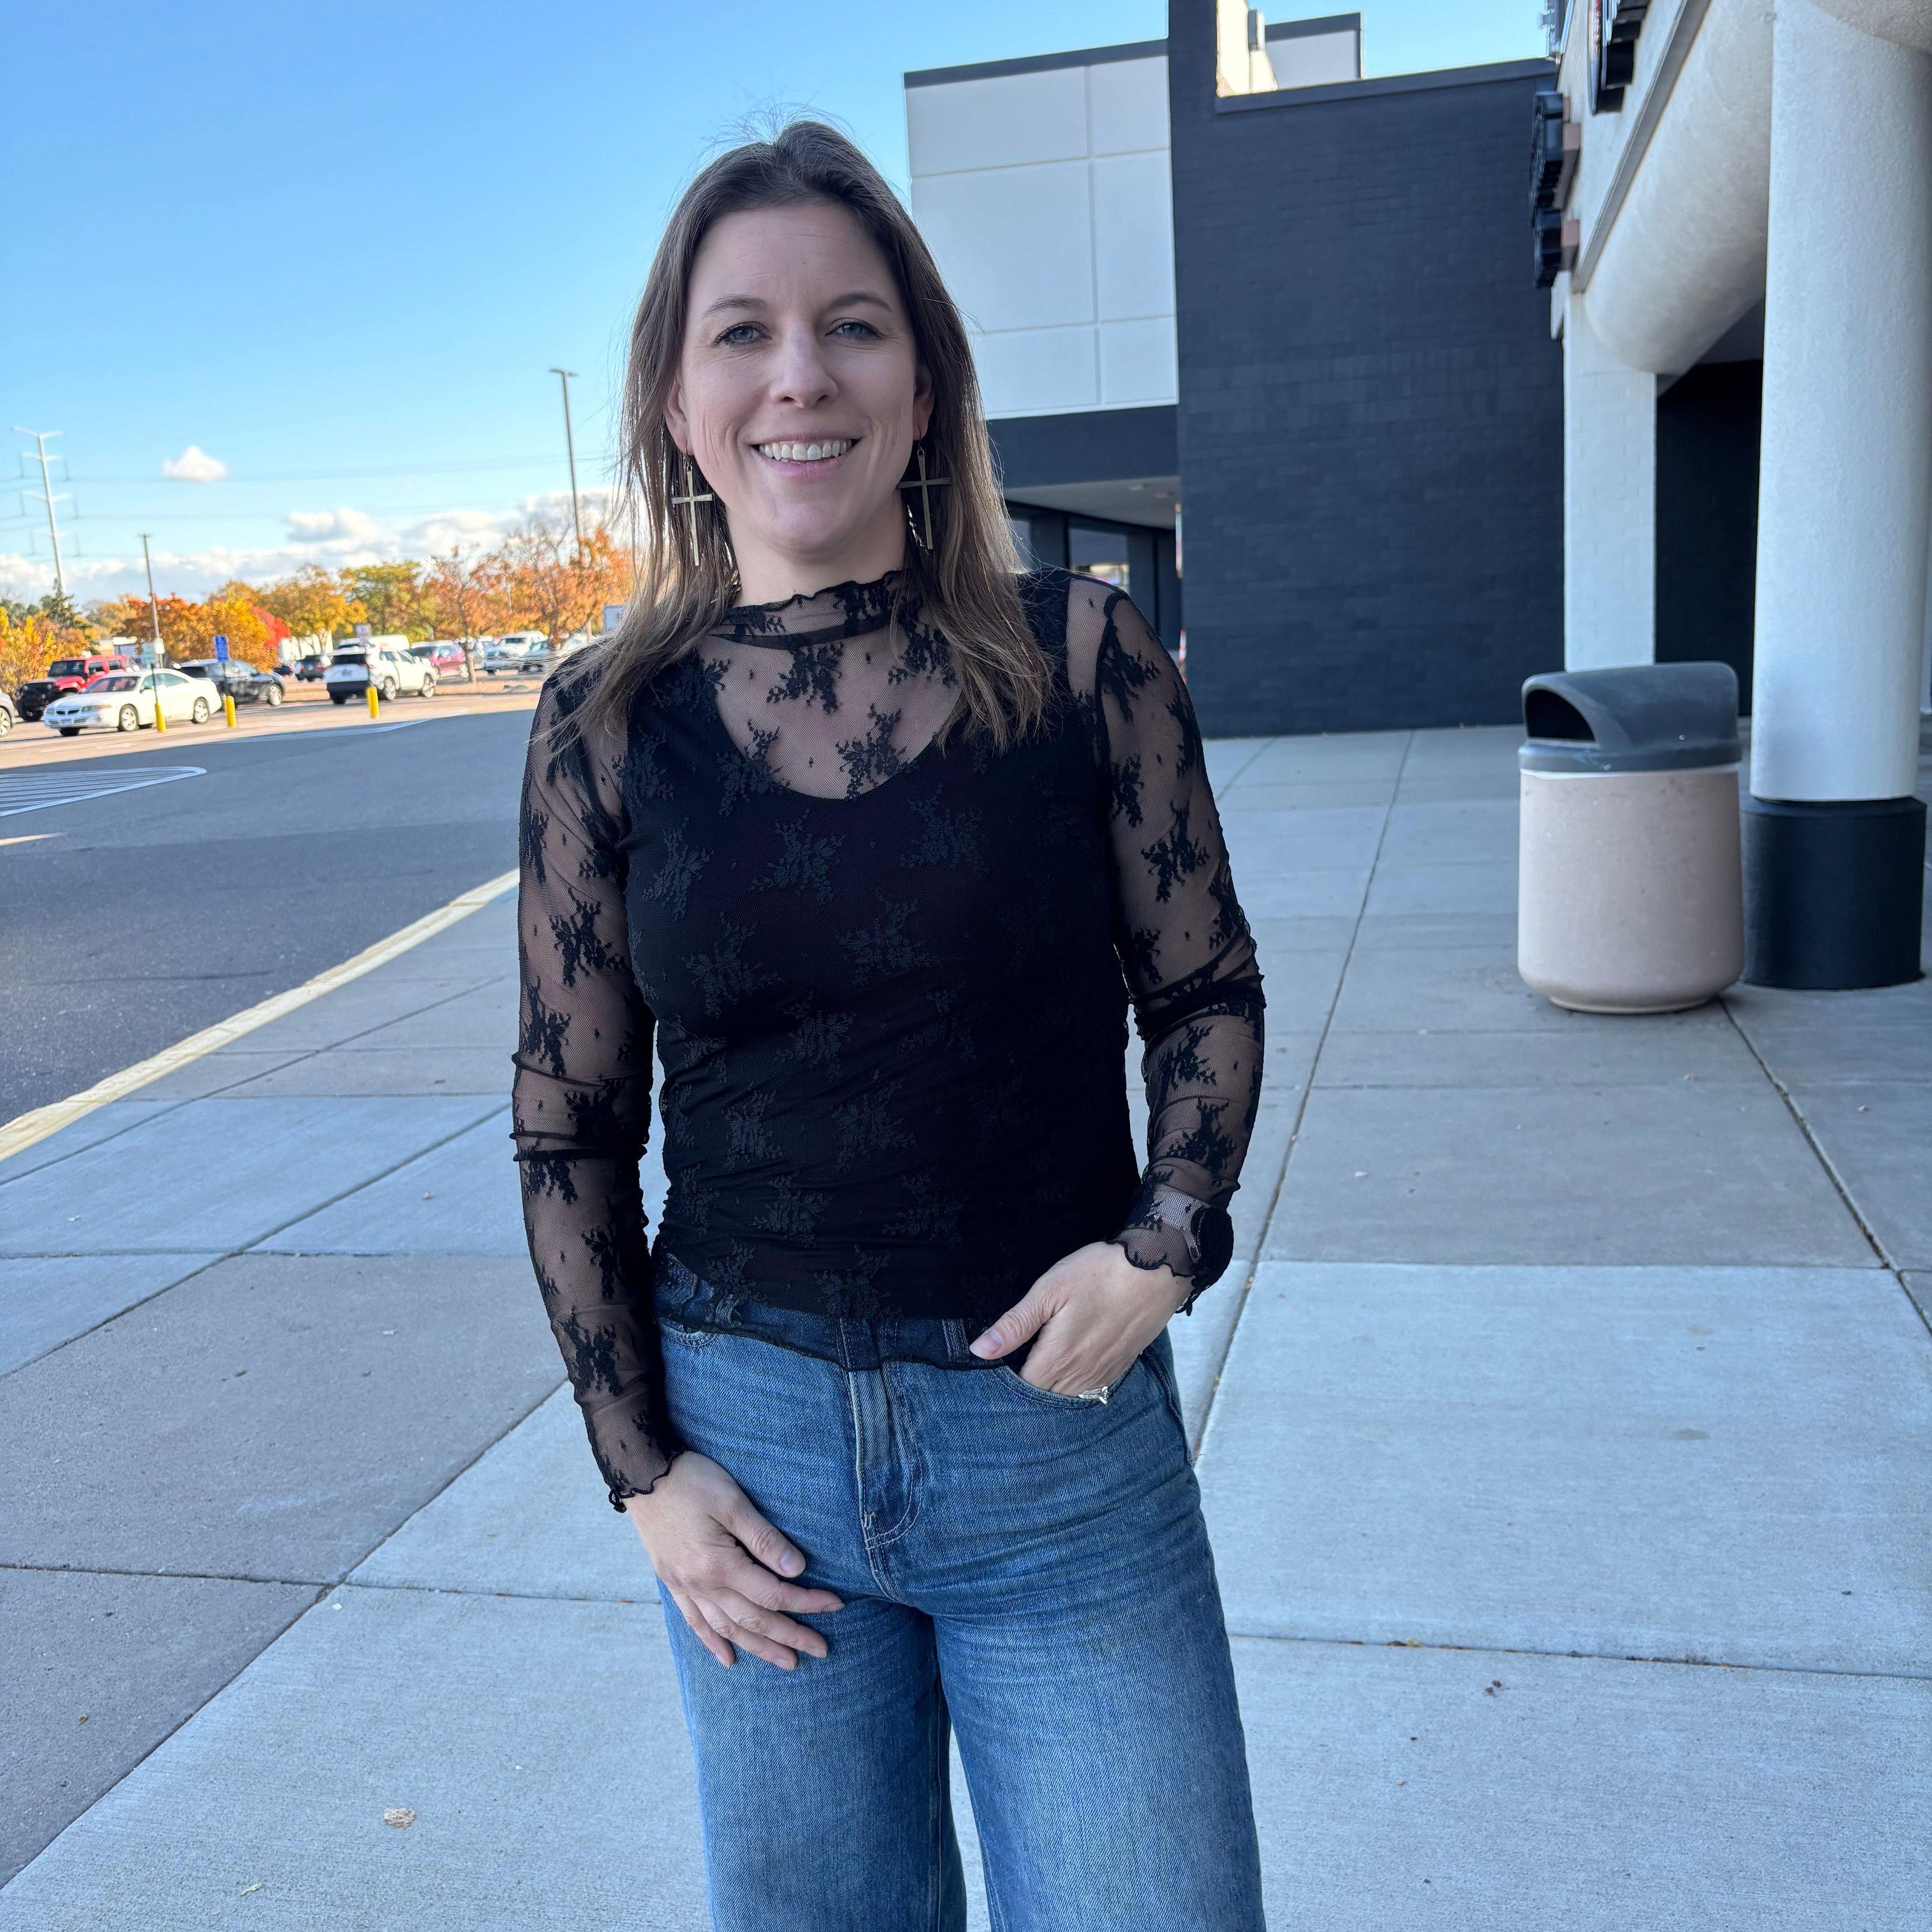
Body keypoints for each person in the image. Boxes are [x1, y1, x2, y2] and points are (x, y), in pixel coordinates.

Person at [513, 120, 1268, 1932]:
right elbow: (567, 1124)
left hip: (1056, 1457)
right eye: (743, 333)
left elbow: (1203, 989)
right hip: (750, 1466)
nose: (801, 376)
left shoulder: (1081, 654)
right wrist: (643, 1480)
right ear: (677, 403)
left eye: (852, 326)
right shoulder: (600, 720)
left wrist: (1166, 1241)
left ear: (924, 387)